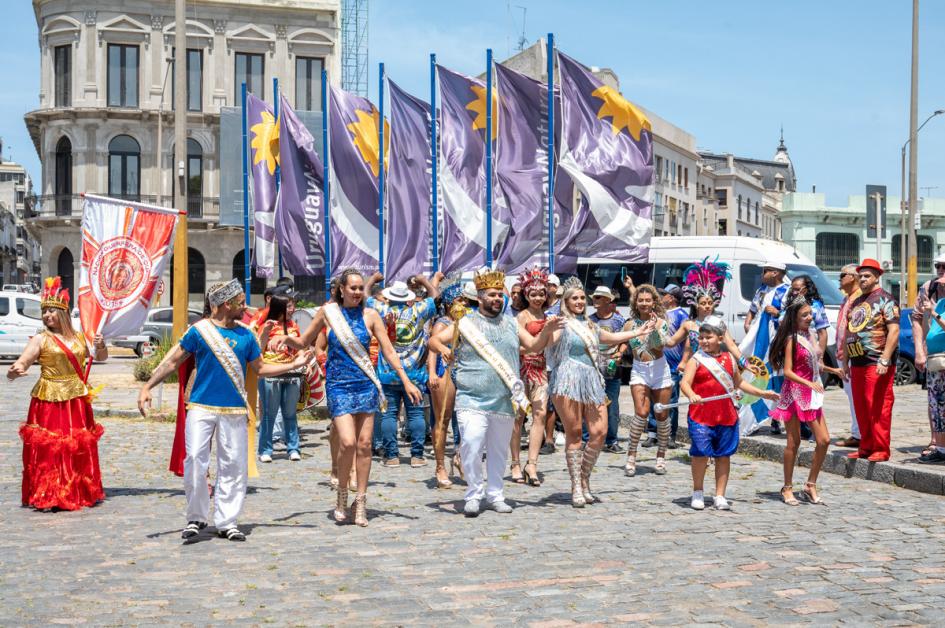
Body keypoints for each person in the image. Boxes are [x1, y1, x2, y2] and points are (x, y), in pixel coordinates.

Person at [138, 279, 311, 541]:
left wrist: (293, 365)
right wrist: (147, 386)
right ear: (225, 304)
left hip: (234, 408)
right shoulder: (200, 331)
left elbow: (260, 369)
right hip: (200, 405)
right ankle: (196, 516)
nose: (245, 306)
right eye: (241, 302)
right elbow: (174, 360)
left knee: (233, 464)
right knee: (195, 458)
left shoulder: (245, 335)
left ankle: (227, 520)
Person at [285, 269, 421, 526]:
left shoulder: (371, 316)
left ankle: (361, 501)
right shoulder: (328, 313)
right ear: (341, 289)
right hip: (339, 386)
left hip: (366, 385)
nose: (358, 292)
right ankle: (342, 494)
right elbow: (304, 341)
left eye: (361, 288)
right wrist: (284, 339)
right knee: (347, 442)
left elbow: (389, 351)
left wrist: (406, 380)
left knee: (365, 444)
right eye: (353, 288)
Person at [429, 267, 563, 517]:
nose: (497, 299)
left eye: (499, 296)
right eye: (491, 295)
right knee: (471, 443)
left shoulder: (512, 324)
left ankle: (495, 494)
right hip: (471, 397)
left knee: (498, 450)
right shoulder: (465, 322)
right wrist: (443, 349)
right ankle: (473, 493)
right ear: (479, 297)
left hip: (503, 399)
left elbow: (534, 345)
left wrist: (546, 330)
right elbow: (434, 340)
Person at [545, 277, 657, 507]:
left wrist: (638, 332)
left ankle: (584, 477)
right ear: (565, 301)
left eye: (581, 298)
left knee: (599, 432)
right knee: (575, 433)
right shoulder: (560, 323)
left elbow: (610, 338)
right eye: (574, 298)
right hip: (567, 379)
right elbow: (548, 342)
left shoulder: (590, 325)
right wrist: (547, 329)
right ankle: (577, 484)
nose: (579, 302)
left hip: (592, 380)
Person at [8, 276, 108, 511]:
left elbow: (101, 358)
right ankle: (50, 492)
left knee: (75, 445)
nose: (47, 316)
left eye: (52, 311)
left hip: (75, 398)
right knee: (51, 446)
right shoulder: (41, 339)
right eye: (44, 312)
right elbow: (23, 361)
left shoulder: (81, 337)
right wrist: (16, 370)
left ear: (63, 312)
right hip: (49, 398)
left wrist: (101, 345)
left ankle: (78, 489)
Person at [680, 317, 778, 510]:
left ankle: (719, 495)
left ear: (720, 338)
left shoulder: (729, 359)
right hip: (701, 416)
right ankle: (698, 492)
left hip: (725, 415)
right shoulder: (696, 360)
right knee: (700, 454)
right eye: (701, 337)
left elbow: (739, 383)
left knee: (723, 456)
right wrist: (691, 394)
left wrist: (762, 392)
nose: (704, 341)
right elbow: (684, 383)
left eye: (708, 337)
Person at [364, 272, 441, 468]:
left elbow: (365, 297)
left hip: (388, 371)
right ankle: (417, 455)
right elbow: (435, 296)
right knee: (415, 414)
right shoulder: (419, 310)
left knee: (390, 414)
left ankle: (391, 456)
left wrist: (372, 280)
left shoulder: (380, 309)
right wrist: (424, 281)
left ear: (389, 296)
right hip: (414, 372)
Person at [768, 297, 832, 504]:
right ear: (794, 319)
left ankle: (810, 484)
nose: (809, 317)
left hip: (811, 394)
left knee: (824, 440)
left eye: (810, 314)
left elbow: (813, 365)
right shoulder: (791, 340)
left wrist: (833, 370)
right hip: (795, 393)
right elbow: (787, 371)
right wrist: (808, 383)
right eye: (804, 315)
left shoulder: (810, 336)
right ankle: (787, 487)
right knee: (793, 442)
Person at [621, 283, 688, 477]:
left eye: (647, 300)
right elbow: (621, 343)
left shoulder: (660, 322)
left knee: (661, 415)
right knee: (641, 413)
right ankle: (631, 457)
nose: (644, 303)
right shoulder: (629, 324)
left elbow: (659, 348)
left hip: (659, 370)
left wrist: (653, 331)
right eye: (640, 300)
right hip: (639, 370)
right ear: (636, 302)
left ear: (653, 303)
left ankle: (660, 456)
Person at [842, 258, 899, 463]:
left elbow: (894, 331)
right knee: (861, 406)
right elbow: (850, 330)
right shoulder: (857, 302)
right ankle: (865, 446)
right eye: (861, 276)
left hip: (877, 361)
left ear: (877, 277)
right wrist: (845, 362)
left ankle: (880, 448)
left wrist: (885, 359)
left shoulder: (886, 299)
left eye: (867, 276)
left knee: (878, 405)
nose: (863, 279)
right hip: (857, 362)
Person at [254, 293, 304, 463]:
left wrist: (304, 361)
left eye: (292, 306)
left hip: (292, 374)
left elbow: (300, 348)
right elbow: (257, 351)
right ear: (279, 308)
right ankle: (265, 450)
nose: (293, 309)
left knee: (290, 413)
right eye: (289, 306)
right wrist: (266, 332)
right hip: (270, 374)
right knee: (269, 414)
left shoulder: (294, 326)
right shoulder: (266, 325)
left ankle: (293, 448)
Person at [427, 275, 467, 488]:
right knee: (443, 419)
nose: (464, 304)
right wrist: (432, 372)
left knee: (468, 420)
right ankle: (440, 465)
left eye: (465, 300)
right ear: (451, 303)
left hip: (466, 371)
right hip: (445, 371)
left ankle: (460, 458)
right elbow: (432, 348)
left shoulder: (469, 321)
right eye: (461, 300)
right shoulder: (442, 323)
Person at [515, 267, 552, 486]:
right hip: (522, 371)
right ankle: (515, 463)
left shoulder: (548, 317)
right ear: (526, 295)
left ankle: (532, 463)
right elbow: (516, 346)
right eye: (533, 294)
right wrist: (534, 346)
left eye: (541, 294)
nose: (538, 298)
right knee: (518, 419)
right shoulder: (521, 316)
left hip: (541, 372)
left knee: (539, 416)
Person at [744, 261, 791, 434]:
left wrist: (778, 313)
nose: (762, 274)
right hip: (760, 339)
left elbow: (793, 313)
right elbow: (753, 309)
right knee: (758, 373)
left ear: (775, 273)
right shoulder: (761, 290)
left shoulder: (787, 291)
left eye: (765, 271)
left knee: (777, 376)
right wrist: (748, 322)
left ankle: (777, 417)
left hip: (777, 340)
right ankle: (753, 415)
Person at [643, 283, 688, 449]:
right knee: (653, 398)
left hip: (672, 365)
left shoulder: (682, 315)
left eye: (663, 294)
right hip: (655, 362)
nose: (660, 297)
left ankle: (670, 435)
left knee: (671, 401)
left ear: (672, 298)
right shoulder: (656, 314)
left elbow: (687, 341)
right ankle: (652, 433)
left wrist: (683, 361)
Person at [913, 253, 945, 464]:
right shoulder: (929, 288)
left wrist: (933, 313)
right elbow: (916, 318)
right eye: (938, 266)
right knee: (936, 402)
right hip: (935, 358)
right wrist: (919, 351)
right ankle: (939, 444)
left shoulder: (937, 305)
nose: (941, 270)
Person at [588, 285, 627, 453]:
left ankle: (612, 440)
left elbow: (625, 340)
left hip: (612, 368)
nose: (594, 301)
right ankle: (586, 438)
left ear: (607, 300)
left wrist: (620, 353)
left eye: (598, 297)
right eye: (594, 297)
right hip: (593, 368)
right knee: (589, 404)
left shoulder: (618, 321)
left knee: (612, 406)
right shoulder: (589, 320)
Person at [834, 263, 862, 449]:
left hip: (852, 354)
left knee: (856, 396)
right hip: (843, 352)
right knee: (851, 395)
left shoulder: (859, 298)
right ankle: (857, 432)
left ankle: (859, 434)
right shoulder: (847, 298)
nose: (840, 278)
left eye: (842, 275)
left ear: (852, 277)